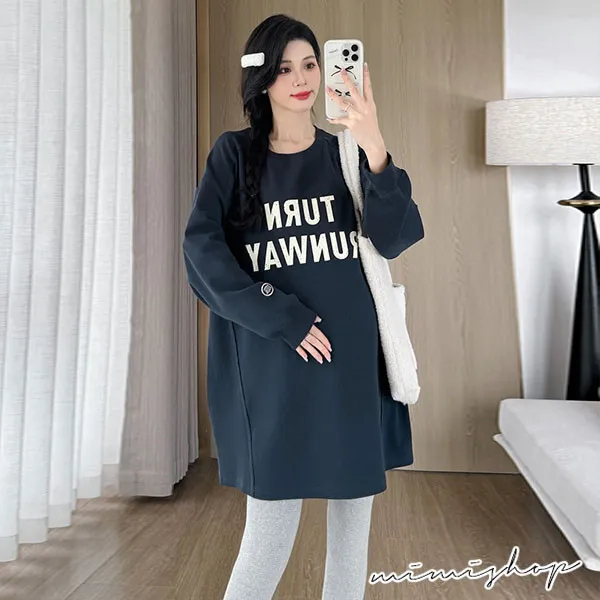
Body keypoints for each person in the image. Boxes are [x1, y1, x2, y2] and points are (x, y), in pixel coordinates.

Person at [182, 13, 425, 600]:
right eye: (284, 68)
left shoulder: (348, 153)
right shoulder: (233, 155)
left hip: (353, 368)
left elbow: (395, 237)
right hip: (274, 368)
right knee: (267, 535)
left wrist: (373, 144)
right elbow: (202, 252)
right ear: (262, 77)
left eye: (310, 64)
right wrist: (283, 316)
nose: (301, 79)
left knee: (351, 539)